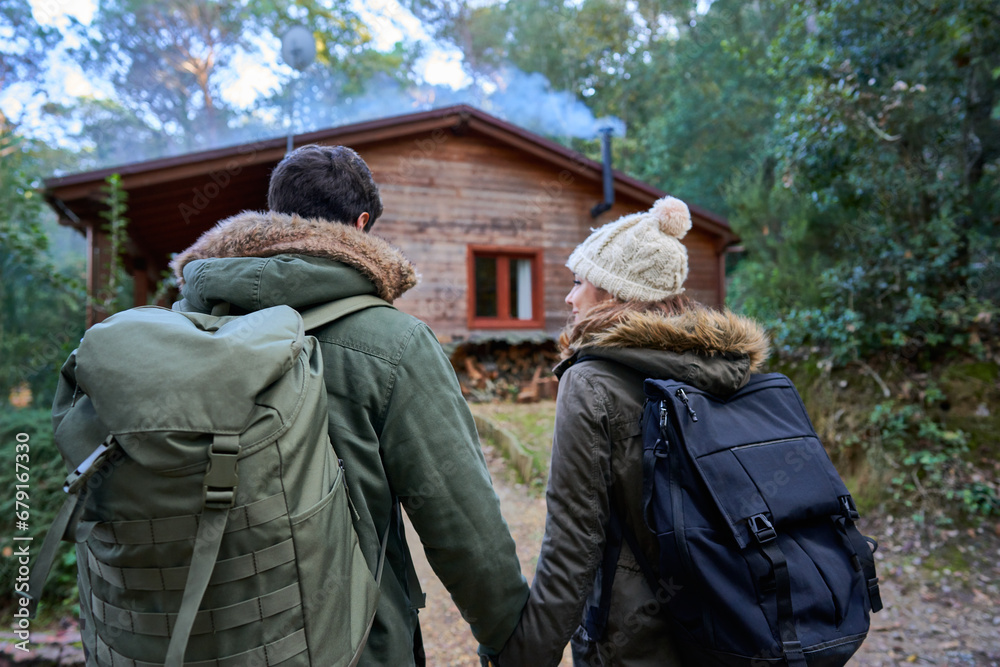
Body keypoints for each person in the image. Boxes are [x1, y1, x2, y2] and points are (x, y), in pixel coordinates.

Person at [170, 144, 529, 666]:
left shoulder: (186, 327)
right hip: (348, 645)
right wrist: (512, 641)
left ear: (274, 217)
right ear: (361, 224)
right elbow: (463, 524)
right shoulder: (394, 341)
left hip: (196, 640)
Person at [497, 196, 770, 666]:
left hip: (636, 643)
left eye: (580, 281)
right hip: (734, 623)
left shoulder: (592, 381)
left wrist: (523, 658)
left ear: (616, 293)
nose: (570, 297)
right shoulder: (728, 369)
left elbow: (572, 546)